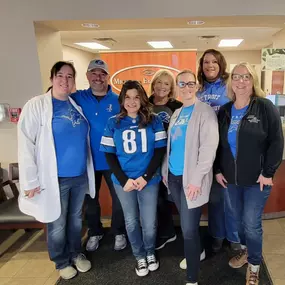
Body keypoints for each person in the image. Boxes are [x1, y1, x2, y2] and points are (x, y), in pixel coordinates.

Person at [17, 61, 95, 280]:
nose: (65, 80)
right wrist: (29, 181)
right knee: (57, 222)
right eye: (60, 75)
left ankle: (76, 253)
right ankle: (61, 261)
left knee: (76, 219)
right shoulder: (37, 105)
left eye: (70, 76)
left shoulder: (74, 105)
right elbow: (25, 144)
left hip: (79, 176)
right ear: (52, 79)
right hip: (55, 178)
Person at [214, 62, 283, 285]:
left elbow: (276, 141)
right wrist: (217, 170)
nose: (241, 81)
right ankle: (245, 251)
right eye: (236, 76)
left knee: (251, 223)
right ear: (230, 81)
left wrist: (268, 172)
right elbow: (217, 145)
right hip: (231, 180)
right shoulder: (224, 111)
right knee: (237, 221)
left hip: (257, 180)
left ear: (253, 81)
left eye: (246, 77)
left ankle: (254, 265)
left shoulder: (263, 106)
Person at [100, 80, 167, 277]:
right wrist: (123, 180)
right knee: (130, 221)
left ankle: (149, 252)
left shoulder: (154, 120)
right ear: (122, 99)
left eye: (136, 97)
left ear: (142, 99)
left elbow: (160, 150)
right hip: (124, 181)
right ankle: (139, 256)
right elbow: (109, 154)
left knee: (149, 222)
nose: (132, 101)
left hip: (149, 180)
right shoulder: (113, 122)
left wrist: (146, 177)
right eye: (127, 97)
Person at [162, 70, 219, 285]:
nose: (186, 87)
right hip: (175, 178)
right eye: (182, 83)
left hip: (191, 181)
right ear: (177, 86)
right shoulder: (177, 113)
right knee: (190, 228)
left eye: (190, 83)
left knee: (188, 230)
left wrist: (196, 180)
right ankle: (200, 251)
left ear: (196, 86)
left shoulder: (204, 112)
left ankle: (192, 279)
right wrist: (166, 171)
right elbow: (172, 146)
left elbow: (208, 149)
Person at [71, 59, 126, 251]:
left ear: (108, 77)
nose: (98, 77)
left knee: (119, 200)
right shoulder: (76, 98)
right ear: (87, 76)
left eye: (102, 73)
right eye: (94, 73)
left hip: (113, 160)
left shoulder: (119, 100)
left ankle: (119, 231)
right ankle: (95, 232)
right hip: (87, 161)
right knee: (91, 202)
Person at [197, 49, 240, 252]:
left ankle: (233, 237)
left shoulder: (230, 87)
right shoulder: (197, 89)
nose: (210, 65)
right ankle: (217, 235)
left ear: (221, 64)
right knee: (214, 199)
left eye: (214, 61)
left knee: (230, 198)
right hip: (205, 151)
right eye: (206, 62)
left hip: (226, 150)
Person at [149, 69, 182, 250]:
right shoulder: (144, 103)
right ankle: (163, 231)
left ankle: (169, 232)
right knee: (155, 197)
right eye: (159, 82)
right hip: (148, 157)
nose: (162, 86)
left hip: (169, 157)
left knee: (166, 196)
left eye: (166, 83)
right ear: (153, 84)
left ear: (171, 88)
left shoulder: (177, 106)